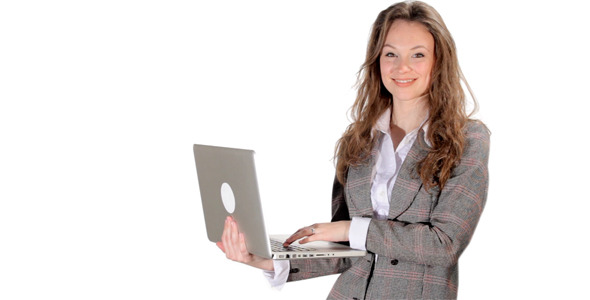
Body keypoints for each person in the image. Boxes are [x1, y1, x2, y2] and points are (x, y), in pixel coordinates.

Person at [216, 1, 490, 299]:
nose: (402, 67)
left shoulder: (466, 140)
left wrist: (349, 230)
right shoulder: (358, 140)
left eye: (418, 54)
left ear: (440, 60)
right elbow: (347, 250)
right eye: (390, 54)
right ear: (377, 60)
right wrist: (265, 260)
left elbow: (444, 245)